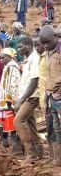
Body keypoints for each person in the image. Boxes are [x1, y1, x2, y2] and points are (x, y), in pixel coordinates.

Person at [14, 37, 43, 164]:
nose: (18, 49)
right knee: (31, 124)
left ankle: (30, 153)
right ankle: (39, 153)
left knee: (18, 121)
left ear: (29, 46)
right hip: (28, 96)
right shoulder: (27, 60)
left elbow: (34, 81)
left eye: (21, 47)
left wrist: (21, 101)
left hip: (32, 97)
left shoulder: (34, 58)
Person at [40, 25, 61, 166]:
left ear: (55, 37)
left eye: (48, 42)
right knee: (57, 127)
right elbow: (48, 77)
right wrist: (47, 97)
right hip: (52, 96)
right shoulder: (48, 53)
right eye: (43, 43)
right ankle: (58, 157)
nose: (45, 46)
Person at [0, 48, 22, 152]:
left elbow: (11, 86)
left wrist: (8, 102)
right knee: (9, 124)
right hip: (6, 101)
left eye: (2, 57)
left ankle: (17, 150)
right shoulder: (7, 66)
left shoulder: (12, 68)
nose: (0, 59)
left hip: (10, 102)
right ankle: (14, 148)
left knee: (13, 125)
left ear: (9, 57)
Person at [34, 37, 56, 159]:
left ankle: (55, 157)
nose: (38, 48)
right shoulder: (42, 57)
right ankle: (54, 157)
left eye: (39, 45)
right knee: (50, 126)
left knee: (53, 126)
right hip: (45, 96)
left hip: (52, 96)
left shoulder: (50, 57)